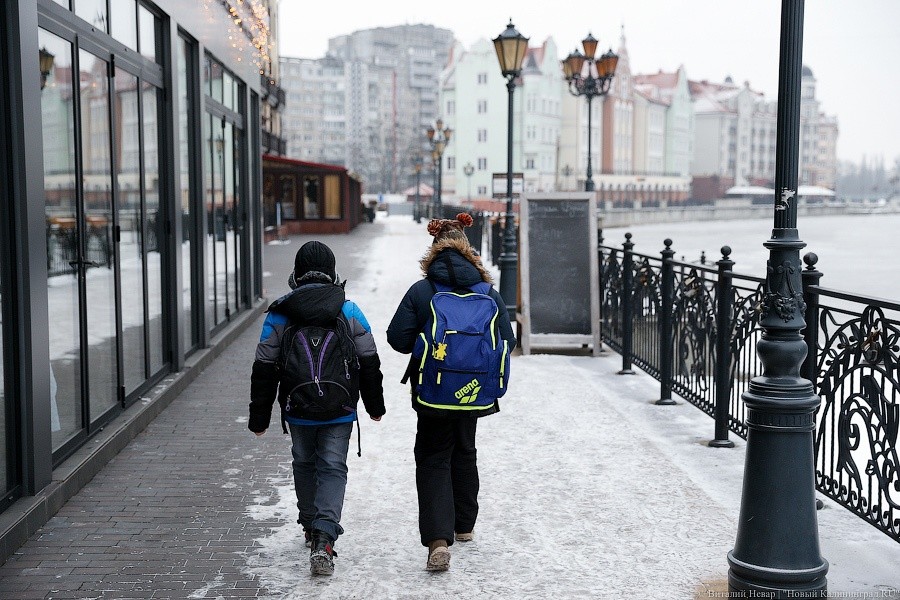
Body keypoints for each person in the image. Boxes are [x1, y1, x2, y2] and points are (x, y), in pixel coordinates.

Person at [387, 213, 516, 571]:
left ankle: (438, 540)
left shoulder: (423, 290)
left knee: (432, 455)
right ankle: (465, 525)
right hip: (474, 391)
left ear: (434, 250)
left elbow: (396, 339)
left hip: (433, 389)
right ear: (469, 250)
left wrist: (428, 346)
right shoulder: (488, 291)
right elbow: (508, 340)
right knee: (465, 447)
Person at [248, 241, 385, 576]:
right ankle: (324, 536)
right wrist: (374, 405)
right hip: (339, 406)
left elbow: (264, 367)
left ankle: (310, 524)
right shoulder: (349, 310)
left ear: (296, 273)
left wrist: (259, 417)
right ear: (333, 272)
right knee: (333, 466)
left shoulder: (280, 313)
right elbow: (369, 361)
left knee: (304, 462)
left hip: (298, 405)